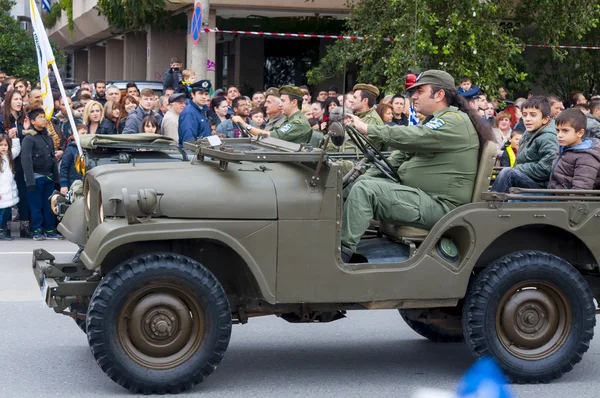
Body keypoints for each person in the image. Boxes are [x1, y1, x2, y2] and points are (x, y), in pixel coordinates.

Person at [341, 70, 494, 261]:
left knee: (365, 190)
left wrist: (369, 129)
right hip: (424, 198)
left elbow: (414, 136)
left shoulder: (454, 121)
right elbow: (399, 158)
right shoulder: (436, 121)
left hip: (442, 206)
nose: (413, 96)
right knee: (352, 186)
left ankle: (341, 256)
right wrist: (360, 176)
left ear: (439, 95)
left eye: (420, 91)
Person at [491, 96, 559, 192]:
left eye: (533, 115)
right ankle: (491, 200)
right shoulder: (529, 133)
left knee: (508, 173)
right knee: (507, 173)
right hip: (530, 180)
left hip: (542, 187)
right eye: (524, 115)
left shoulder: (548, 137)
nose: (527, 119)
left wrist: (518, 169)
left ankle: (491, 203)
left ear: (545, 119)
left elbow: (546, 169)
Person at [21, 108, 62, 241]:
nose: (43, 119)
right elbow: (26, 160)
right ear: (32, 121)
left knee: (49, 205)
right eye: (40, 117)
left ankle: (50, 229)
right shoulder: (29, 139)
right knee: (36, 205)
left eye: (44, 117)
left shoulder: (48, 138)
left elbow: (53, 160)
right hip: (36, 177)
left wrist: (56, 179)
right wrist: (30, 181)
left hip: (48, 176)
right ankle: (37, 229)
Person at [0, 90, 32, 238]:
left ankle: (24, 226)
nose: (19, 102)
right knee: (5, 195)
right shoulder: (2, 119)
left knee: (23, 193)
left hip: (22, 162)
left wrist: (25, 131)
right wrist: (8, 136)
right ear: (9, 101)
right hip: (5, 164)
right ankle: (4, 227)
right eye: (16, 99)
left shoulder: (24, 119)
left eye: (21, 99)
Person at [233, 86, 312, 144]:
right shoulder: (290, 119)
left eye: (283, 101)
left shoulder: (297, 123)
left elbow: (271, 136)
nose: (280, 105)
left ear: (294, 102)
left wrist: (245, 125)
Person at [548, 108, 600, 190]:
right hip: (554, 194)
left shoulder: (586, 158)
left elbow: (580, 192)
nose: (559, 135)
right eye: (558, 130)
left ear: (580, 133)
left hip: (565, 200)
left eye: (565, 131)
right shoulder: (564, 147)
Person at [178, 80, 212, 147]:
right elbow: (189, 141)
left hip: (204, 152)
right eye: (200, 93)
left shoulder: (201, 109)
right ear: (192, 94)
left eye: (206, 94)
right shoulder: (189, 113)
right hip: (195, 155)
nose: (204, 97)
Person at [352, 83, 385, 149]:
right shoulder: (360, 116)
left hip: (361, 158)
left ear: (365, 101)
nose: (352, 100)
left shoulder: (372, 120)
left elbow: (355, 147)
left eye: (355, 97)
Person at [0, 133, 20, 240]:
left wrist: (15, 137)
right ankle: (1, 230)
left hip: (9, 190)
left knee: (8, 211)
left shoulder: (9, 156)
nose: (3, 147)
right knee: (1, 212)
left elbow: (17, 148)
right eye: (1, 145)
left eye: (5, 145)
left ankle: (4, 229)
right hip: (1, 191)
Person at [59, 124, 87, 196]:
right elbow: (64, 168)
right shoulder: (70, 150)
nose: (85, 135)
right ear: (74, 136)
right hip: (73, 184)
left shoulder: (88, 150)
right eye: (82, 133)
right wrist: (63, 185)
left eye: (87, 133)